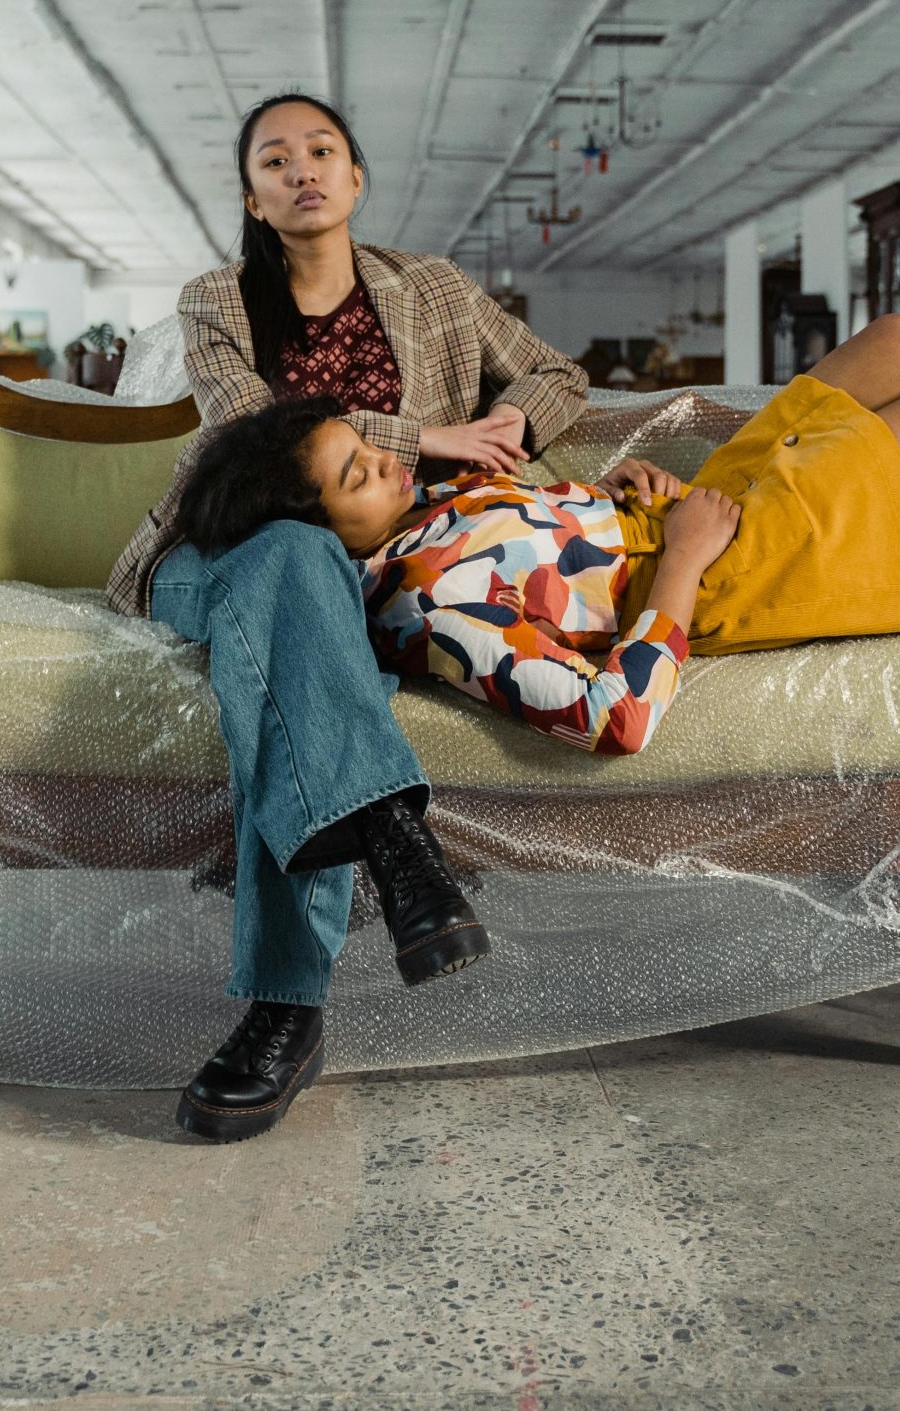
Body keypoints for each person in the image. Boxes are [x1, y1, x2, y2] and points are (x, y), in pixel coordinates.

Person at [174, 209, 900, 759]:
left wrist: (632, 500)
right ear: (315, 534)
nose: (389, 453)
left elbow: (563, 541)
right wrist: (684, 561)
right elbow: (612, 720)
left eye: (362, 441)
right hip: (749, 573)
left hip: (701, 514)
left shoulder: (429, 513)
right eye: (355, 472)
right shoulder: (427, 615)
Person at [104, 92, 589, 1143]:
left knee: (303, 653)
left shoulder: (437, 291)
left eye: (321, 151)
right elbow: (260, 424)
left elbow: (561, 377)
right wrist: (430, 438)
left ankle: (294, 1003)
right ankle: (390, 858)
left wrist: (510, 420)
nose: (301, 170)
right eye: (274, 161)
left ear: (357, 179)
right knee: (290, 559)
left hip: (379, 574)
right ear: (253, 198)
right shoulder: (217, 301)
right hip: (224, 553)